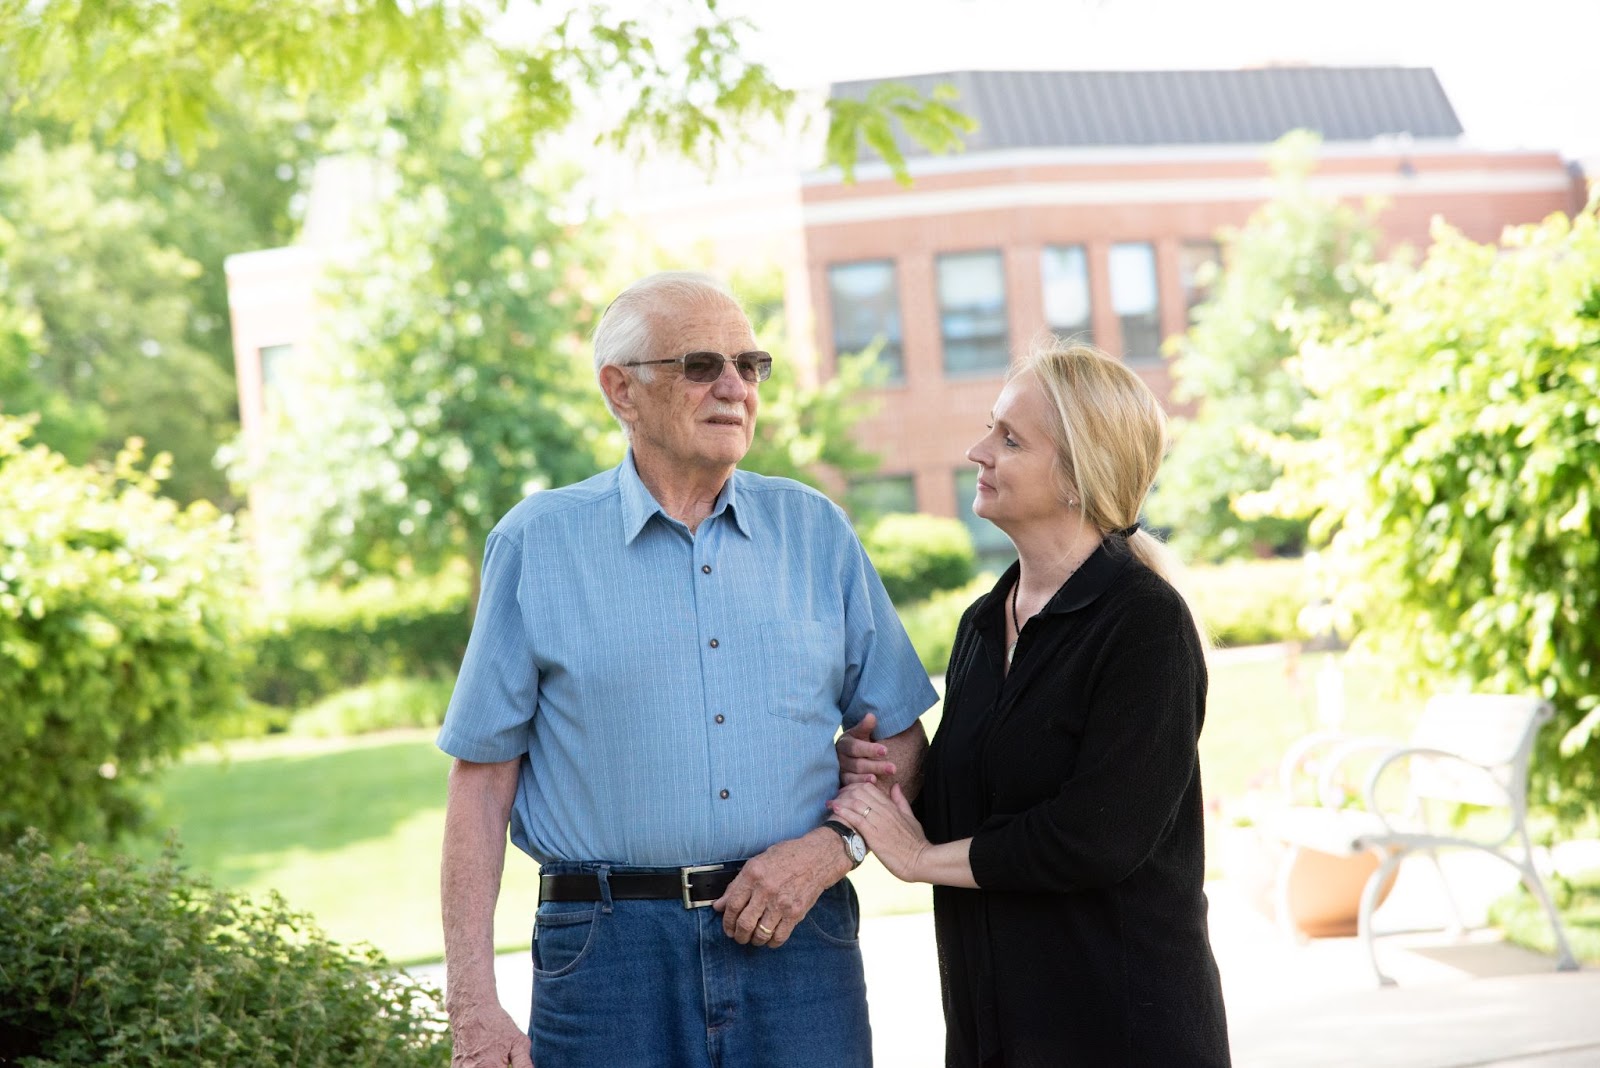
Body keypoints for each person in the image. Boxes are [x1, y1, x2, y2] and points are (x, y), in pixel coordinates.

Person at [436, 271, 937, 1068]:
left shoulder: (816, 532)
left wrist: (833, 848)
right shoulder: (536, 544)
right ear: (621, 392)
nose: (735, 386)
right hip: (607, 958)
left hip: (798, 934)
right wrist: (472, 1006)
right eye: (700, 365)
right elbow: (482, 781)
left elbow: (901, 738)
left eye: (750, 364)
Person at [831, 342, 1231, 1067]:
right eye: (991, 427)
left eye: (1010, 438)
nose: (977, 450)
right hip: (997, 1032)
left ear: (1080, 476)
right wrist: (891, 790)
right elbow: (979, 814)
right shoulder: (985, 623)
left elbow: (1095, 836)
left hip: (1121, 1028)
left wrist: (918, 857)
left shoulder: (1143, 621)